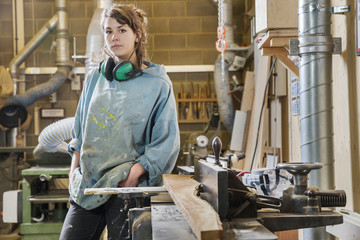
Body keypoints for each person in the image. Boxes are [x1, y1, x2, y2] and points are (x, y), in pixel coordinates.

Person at [59, 3, 180, 240]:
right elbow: (80, 132)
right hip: (88, 185)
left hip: (127, 189)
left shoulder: (157, 84)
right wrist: (73, 174)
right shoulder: (95, 78)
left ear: (138, 36)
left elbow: (166, 142)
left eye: (122, 30)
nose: (114, 37)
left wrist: (135, 173)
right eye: (108, 31)